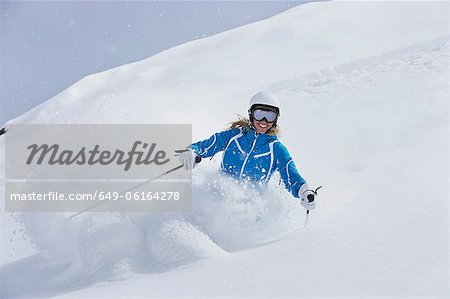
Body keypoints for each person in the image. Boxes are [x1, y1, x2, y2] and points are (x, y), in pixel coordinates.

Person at [178, 91, 317, 210]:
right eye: (259, 114)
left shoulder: (276, 149)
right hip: (218, 200)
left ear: (276, 119)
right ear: (251, 114)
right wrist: (192, 151)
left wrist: (305, 192)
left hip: (251, 210)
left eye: (270, 116)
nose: (264, 120)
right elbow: (207, 145)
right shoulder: (234, 136)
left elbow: (291, 175)